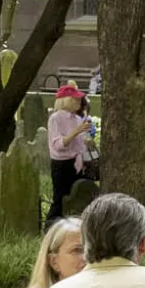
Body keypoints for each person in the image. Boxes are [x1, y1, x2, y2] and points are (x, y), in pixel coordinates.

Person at [46, 84, 92, 224]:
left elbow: (81, 143)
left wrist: (88, 142)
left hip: (79, 162)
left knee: (79, 196)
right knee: (60, 198)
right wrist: (76, 132)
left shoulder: (78, 119)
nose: (79, 102)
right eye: (75, 99)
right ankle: (51, 226)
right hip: (62, 164)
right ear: (66, 100)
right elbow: (58, 145)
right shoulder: (56, 118)